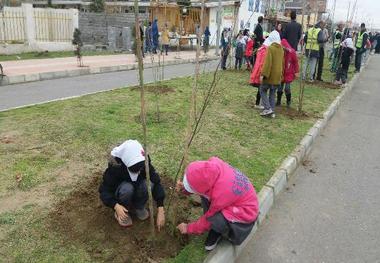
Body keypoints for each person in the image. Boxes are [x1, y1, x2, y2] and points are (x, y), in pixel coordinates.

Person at [176, 157, 259, 251]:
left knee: (215, 219)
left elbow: (209, 218)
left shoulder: (221, 196)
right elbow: (201, 186)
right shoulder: (212, 167)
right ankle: (217, 225)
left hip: (245, 214)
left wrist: (189, 228)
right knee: (206, 198)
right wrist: (185, 189)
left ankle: (218, 232)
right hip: (234, 199)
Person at [99, 140, 165, 230]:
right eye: (135, 171)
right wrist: (115, 205)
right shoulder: (116, 167)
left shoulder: (143, 161)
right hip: (123, 192)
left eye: (140, 170)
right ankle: (123, 211)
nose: (138, 172)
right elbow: (105, 191)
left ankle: (138, 206)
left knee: (148, 183)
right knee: (127, 188)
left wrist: (161, 209)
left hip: (138, 188)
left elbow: (156, 182)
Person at [259, 30, 284, 117]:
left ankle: (267, 108)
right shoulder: (281, 49)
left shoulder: (270, 48)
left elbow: (267, 63)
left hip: (270, 75)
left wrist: (263, 74)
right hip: (277, 76)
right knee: (273, 93)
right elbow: (282, 63)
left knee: (262, 90)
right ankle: (272, 111)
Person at [250, 34, 272, 109]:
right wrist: (263, 73)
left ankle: (258, 103)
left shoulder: (261, 49)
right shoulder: (266, 51)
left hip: (258, 71)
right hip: (261, 72)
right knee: (262, 89)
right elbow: (262, 63)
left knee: (260, 88)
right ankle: (260, 104)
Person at [277, 39, 299, 107]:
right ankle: (278, 101)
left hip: (289, 73)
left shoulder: (292, 52)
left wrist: (296, 71)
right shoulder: (280, 52)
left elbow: (295, 62)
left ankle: (288, 101)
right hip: (281, 73)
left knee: (287, 88)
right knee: (279, 88)